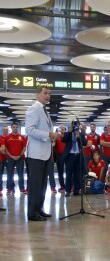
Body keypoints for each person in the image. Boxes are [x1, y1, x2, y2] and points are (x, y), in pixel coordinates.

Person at [25, 86, 60, 221]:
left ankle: (39, 209)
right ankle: (31, 213)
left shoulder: (44, 110)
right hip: (36, 154)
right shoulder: (34, 109)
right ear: (37, 94)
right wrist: (49, 134)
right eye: (45, 93)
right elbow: (29, 130)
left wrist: (53, 136)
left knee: (43, 184)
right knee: (35, 184)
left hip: (45, 153)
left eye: (49, 93)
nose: (48, 96)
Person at [62, 120, 87, 197]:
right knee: (69, 174)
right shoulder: (67, 133)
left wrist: (79, 135)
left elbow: (85, 143)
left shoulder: (81, 134)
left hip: (78, 156)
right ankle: (67, 190)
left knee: (78, 174)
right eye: (74, 125)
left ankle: (77, 190)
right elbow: (63, 140)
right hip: (70, 156)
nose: (76, 127)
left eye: (77, 125)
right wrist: (69, 131)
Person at [5, 122, 27, 195]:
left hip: (20, 158)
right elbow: (5, 148)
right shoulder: (7, 137)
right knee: (10, 174)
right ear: (11, 128)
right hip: (10, 158)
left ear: (18, 128)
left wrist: (20, 155)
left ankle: (22, 189)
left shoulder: (22, 137)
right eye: (13, 127)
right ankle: (9, 189)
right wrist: (11, 156)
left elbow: (24, 147)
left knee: (21, 174)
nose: (15, 128)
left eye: (16, 127)